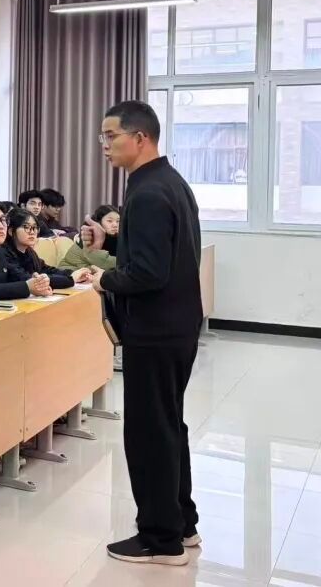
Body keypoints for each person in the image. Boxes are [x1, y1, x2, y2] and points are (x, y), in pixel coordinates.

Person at [91, 101, 203, 566]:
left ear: (140, 138)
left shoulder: (149, 192)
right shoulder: (168, 182)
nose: (104, 145)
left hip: (155, 331)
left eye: (111, 135)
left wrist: (104, 278)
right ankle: (182, 522)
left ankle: (161, 539)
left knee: (149, 433)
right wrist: (114, 245)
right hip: (176, 325)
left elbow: (149, 273)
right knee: (168, 425)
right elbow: (162, 251)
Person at [1, 207, 89, 288]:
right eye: (26, 227)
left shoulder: (29, 251)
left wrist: (72, 273)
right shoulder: (3, 253)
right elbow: (27, 279)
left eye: (35, 227)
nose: (32, 232)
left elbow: (47, 270)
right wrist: (70, 279)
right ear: (11, 231)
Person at [59, 205, 120, 272]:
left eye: (118, 221)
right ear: (98, 222)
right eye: (109, 221)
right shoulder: (89, 235)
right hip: (69, 270)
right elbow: (105, 262)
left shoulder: (115, 237)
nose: (115, 225)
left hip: (88, 271)